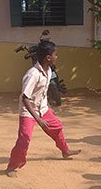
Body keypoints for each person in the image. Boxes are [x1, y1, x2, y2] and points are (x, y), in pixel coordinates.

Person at [5, 41, 80, 177]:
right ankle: (11, 167)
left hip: (43, 108)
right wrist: (38, 119)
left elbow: (43, 93)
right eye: (55, 54)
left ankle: (65, 150)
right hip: (28, 111)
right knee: (24, 139)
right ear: (48, 58)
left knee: (57, 127)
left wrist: (48, 108)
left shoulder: (49, 70)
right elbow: (25, 98)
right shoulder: (33, 74)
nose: (57, 57)